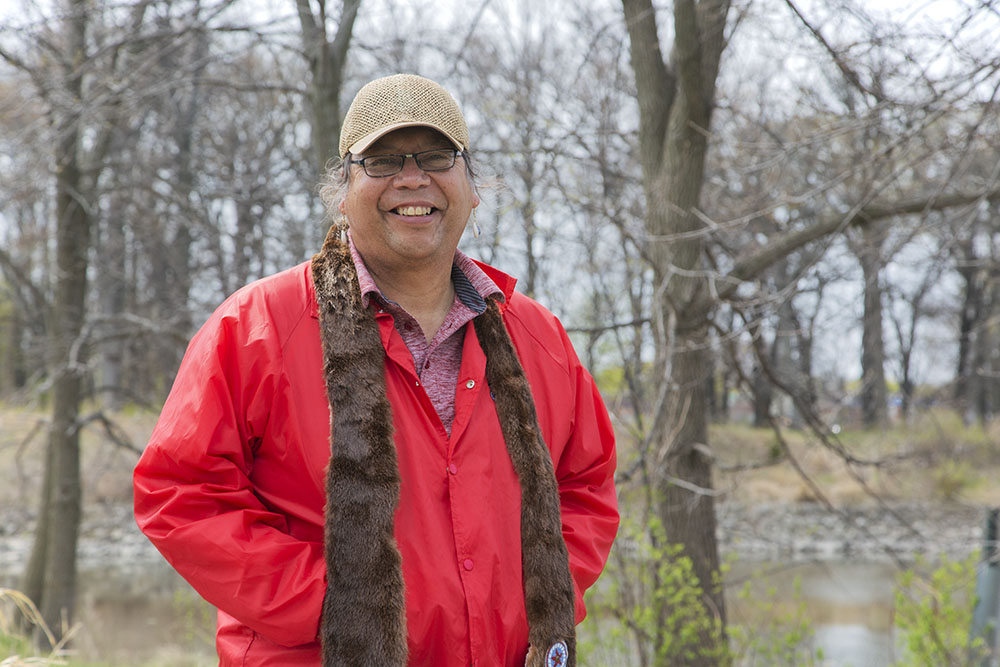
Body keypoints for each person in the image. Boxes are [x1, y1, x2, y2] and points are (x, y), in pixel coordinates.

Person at [133, 73, 618, 667]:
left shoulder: (538, 338)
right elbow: (180, 493)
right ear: (342, 190)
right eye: (383, 160)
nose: (413, 178)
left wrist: (531, 598)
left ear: (472, 187)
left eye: (437, 156)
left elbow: (587, 485)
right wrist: (339, 607)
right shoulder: (258, 325)